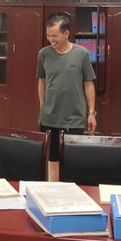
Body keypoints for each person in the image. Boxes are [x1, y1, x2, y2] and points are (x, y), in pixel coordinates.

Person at [37, 15, 97, 180]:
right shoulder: (44, 54)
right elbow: (41, 81)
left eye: (54, 36)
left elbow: (89, 83)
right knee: (52, 160)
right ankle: (53, 189)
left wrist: (91, 113)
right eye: (48, 35)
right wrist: (42, 106)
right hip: (49, 118)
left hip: (74, 119)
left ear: (66, 34)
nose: (51, 39)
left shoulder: (81, 53)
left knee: (72, 161)